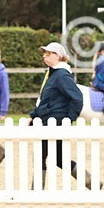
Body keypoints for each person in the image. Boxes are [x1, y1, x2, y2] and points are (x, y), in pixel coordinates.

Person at [29, 42, 89, 187]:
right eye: (44, 54)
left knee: (42, 155)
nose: (44, 56)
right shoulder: (53, 74)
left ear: (58, 56)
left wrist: (69, 119)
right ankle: (90, 181)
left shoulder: (61, 75)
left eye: (48, 54)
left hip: (55, 120)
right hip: (47, 119)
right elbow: (46, 100)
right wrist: (33, 115)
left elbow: (77, 97)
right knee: (58, 158)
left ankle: (36, 189)